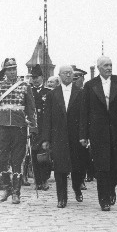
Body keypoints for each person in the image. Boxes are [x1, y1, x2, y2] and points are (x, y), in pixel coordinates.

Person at [79, 56, 117, 211]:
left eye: (111, 65)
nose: (109, 68)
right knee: (102, 167)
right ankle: (103, 199)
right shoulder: (90, 85)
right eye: (106, 65)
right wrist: (83, 135)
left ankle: (111, 188)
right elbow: (84, 112)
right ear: (99, 67)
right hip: (98, 132)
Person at [0, 58, 38, 204]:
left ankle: (16, 193)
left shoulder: (25, 86)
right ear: (4, 71)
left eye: (14, 69)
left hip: (19, 127)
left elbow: (31, 108)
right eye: (9, 69)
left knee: (17, 160)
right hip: (2, 126)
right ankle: (6, 187)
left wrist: (33, 127)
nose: (12, 71)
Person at [40, 65, 84, 208]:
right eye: (65, 73)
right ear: (59, 75)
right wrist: (46, 138)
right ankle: (62, 197)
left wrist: (84, 136)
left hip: (76, 136)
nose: (68, 75)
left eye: (70, 73)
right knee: (60, 168)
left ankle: (77, 188)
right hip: (58, 136)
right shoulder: (53, 95)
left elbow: (84, 117)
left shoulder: (80, 93)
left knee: (77, 166)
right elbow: (47, 118)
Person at [29, 64, 52, 191]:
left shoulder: (48, 92)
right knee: (34, 155)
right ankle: (37, 181)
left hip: (44, 127)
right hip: (33, 128)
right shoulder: (29, 92)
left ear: (42, 78)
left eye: (37, 77)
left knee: (44, 155)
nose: (35, 79)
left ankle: (45, 179)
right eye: (33, 77)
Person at [72, 65, 92, 187]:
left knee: (83, 155)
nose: (74, 81)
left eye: (76, 78)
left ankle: (82, 179)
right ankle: (77, 179)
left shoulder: (87, 92)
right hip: (72, 128)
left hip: (84, 129)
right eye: (73, 78)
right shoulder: (69, 93)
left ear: (82, 79)